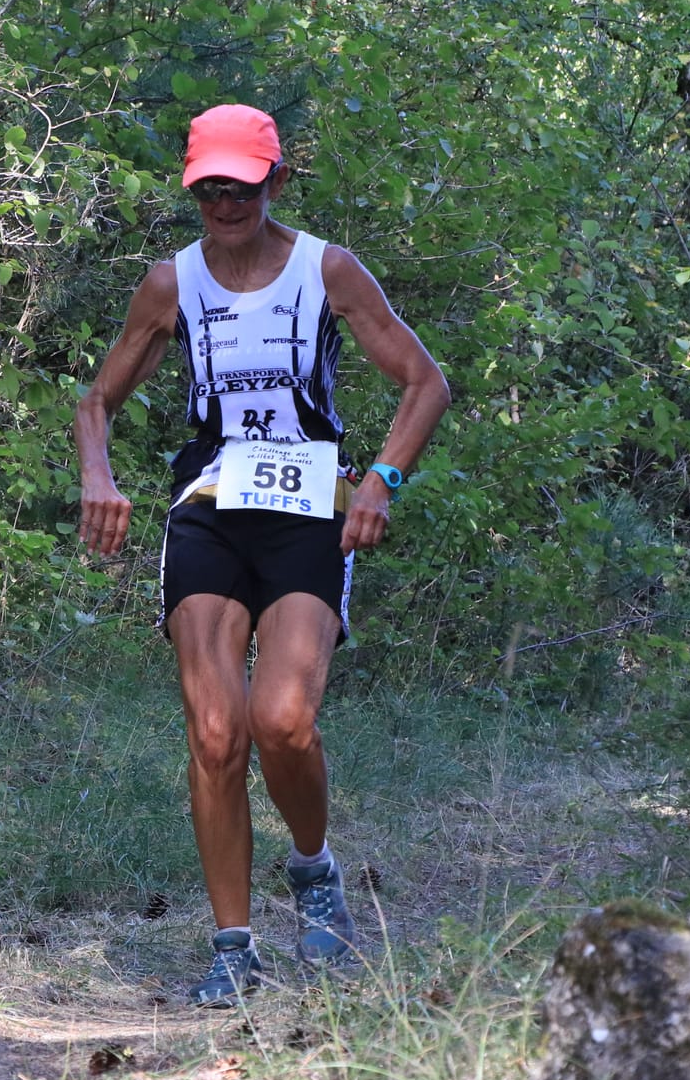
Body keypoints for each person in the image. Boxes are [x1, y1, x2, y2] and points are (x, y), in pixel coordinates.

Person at [73, 103, 451, 1006]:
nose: (223, 202)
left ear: (274, 180)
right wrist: (99, 475)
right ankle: (233, 947)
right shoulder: (171, 284)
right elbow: (97, 401)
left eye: (240, 185)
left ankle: (315, 871)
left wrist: (382, 482)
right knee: (215, 732)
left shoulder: (327, 269)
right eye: (208, 186)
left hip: (307, 509)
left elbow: (425, 381)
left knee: (282, 718)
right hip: (208, 506)